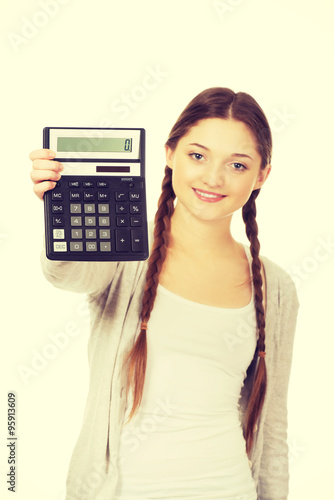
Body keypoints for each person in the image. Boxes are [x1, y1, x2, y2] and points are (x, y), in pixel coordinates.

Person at [29, 87, 299, 500]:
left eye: (238, 164)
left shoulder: (275, 286)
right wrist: (59, 207)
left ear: (261, 175)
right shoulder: (125, 251)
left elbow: (274, 427)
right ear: (170, 153)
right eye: (197, 155)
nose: (213, 177)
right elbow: (67, 274)